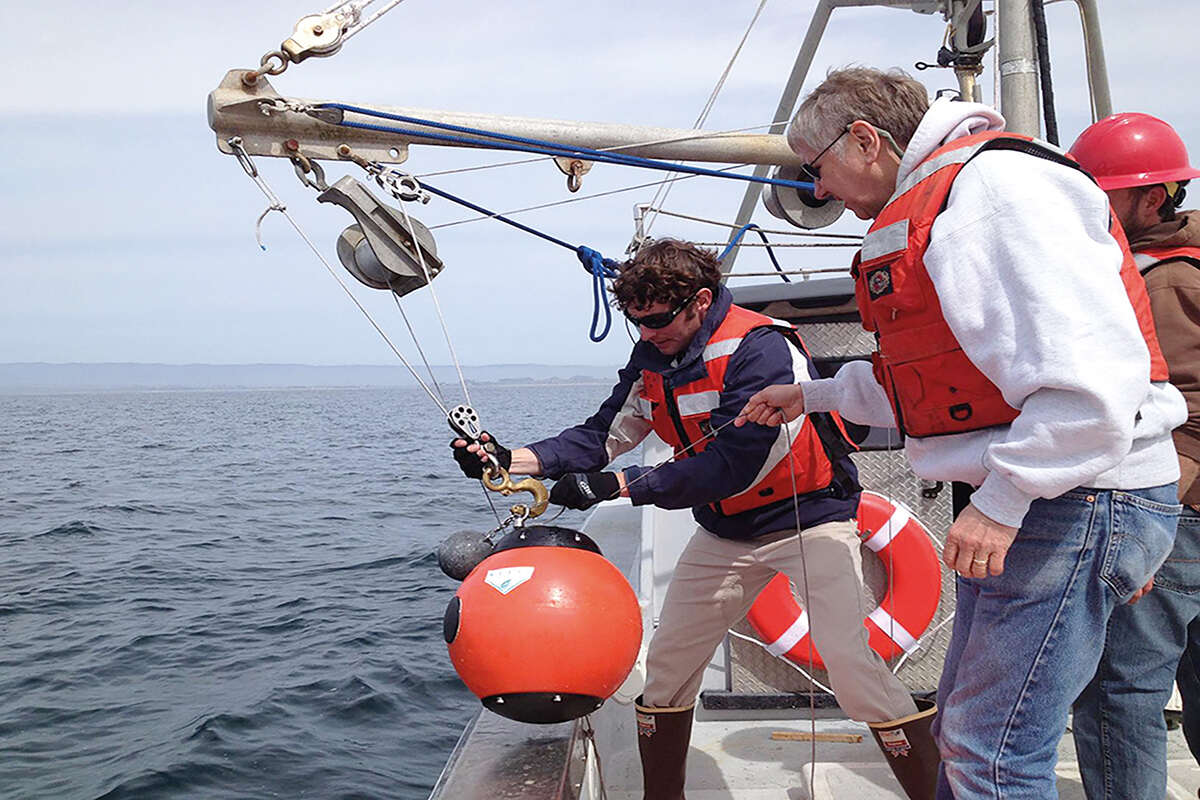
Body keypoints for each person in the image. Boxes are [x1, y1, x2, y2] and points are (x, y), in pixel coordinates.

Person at [736, 67, 1187, 799]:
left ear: (864, 139)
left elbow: (1092, 386)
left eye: (817, 173)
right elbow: (938, 386)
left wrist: (1005, 500)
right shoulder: (957, 198)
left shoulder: (994, 194)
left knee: (992, 752)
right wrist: (811, 393)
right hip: (1060, 495)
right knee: (968, 739)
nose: (822, 195)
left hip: (1074, 498)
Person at [452, 238, 939, 799]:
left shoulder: (762, 348)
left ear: (700, 301)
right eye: (637, 322)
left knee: (855, 672)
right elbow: (605, 434)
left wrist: (619, 486)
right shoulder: (651, 356)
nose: (647, 333)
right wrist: (511, 459)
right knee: (667, 670)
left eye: (657, 320)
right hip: (727, 534)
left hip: (811, 520)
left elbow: (736, 464)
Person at [1067, 112, 1200, 800]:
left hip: (1176, 514)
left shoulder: (1159, 284)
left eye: (1104, 195)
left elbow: (1164, 411)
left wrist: (1149, 523)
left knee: (1121, 691)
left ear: (1154, 199)